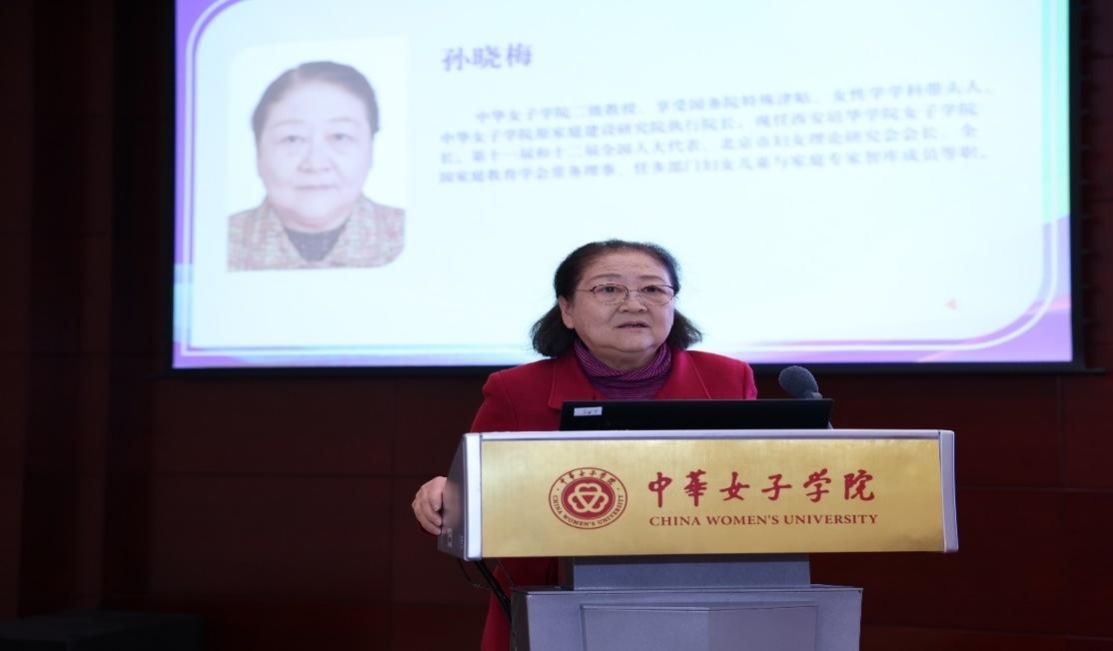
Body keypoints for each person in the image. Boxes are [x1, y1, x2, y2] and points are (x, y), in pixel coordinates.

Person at [411, 239, 757, 651]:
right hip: (556, 602)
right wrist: (449, 492)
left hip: (701, 595)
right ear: (567, 310)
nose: (634, 304)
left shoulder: (728, 379)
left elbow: (750, 484)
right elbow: (479, 488)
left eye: (652, 289)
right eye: (609, 289)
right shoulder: (516, 390)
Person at [228, 61, 403, 271]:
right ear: (258, 152)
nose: (315, 164)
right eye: (292, 139)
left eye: (339, 136)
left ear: (370, 149)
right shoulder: (217, 243)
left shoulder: (412, 234)